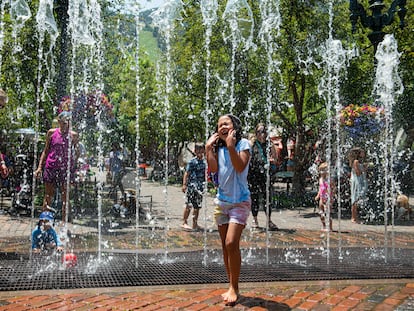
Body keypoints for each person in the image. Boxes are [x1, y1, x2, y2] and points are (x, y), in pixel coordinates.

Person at [205, 114, 251, 306]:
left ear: (235, 126)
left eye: (226, 123)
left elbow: (240, 167)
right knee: (225, 245)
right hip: (221, 202)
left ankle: (235, 287)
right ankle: (231, 284)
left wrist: (231, 146)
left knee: (232, 242)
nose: (222, 126)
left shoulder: (243, 145)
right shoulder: (218, 148)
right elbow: (214, 169)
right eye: (219, 125)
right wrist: (209, 149)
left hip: (240, 201)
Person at [34, 111, 79, 225]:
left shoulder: (73, 135)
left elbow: (77, 152)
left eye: (68, 122)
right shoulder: (51, 133)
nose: (66, 125)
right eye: (63, 122)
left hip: (65, 169)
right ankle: (44, 222)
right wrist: (39, 167)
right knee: (48, 195)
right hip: (51, 167)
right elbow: (46, 151)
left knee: (65, 197)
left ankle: (64, 224)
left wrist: (74, 167)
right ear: (59, 122)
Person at [248, 123, 278, 231]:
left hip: (266, 175)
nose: (262, 134)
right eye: (260, 131)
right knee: (254, 197)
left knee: (267, 198)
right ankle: (255, 220)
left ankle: (269, 220)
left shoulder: (270, 144)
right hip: (253, 175)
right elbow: (247, 158)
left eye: (264, 131)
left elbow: (275, 158)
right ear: (256, 133)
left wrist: (271, 160)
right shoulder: (252, 144)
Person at [181, 143, 206, 231]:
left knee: (197, 206)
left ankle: (195, 223)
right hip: (192, 186)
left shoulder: (204, 162)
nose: (200, 152)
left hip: (200, 187)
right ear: (195, 151)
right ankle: (184, 222)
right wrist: (184, 184)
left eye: (201, 150)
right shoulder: (192, 162)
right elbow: (186, 173)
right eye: (198, 150)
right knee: (189, 205)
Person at [348, 147, 368, 223]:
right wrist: (364, 168)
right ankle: (353, 218)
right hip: (356, 181)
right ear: (358, 154)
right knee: (355, 198)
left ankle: (356, 217)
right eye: (362, 152)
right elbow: (358, 173)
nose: (364, 153)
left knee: (358, 198)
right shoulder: (355, 162)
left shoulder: (359, 162)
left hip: (359, 180)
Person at [314, 162, 333, 231]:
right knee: (321, 213)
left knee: (327, 214)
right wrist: (318, 195)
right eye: (321, 170)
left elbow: (333, 189)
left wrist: (331, 197)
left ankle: (330, 227)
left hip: (328, 199)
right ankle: (324, 225)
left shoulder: (330, 180)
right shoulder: (320, 179)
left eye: (324, 170)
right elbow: (320, 188)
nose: (322, 172)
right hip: (321, 199)